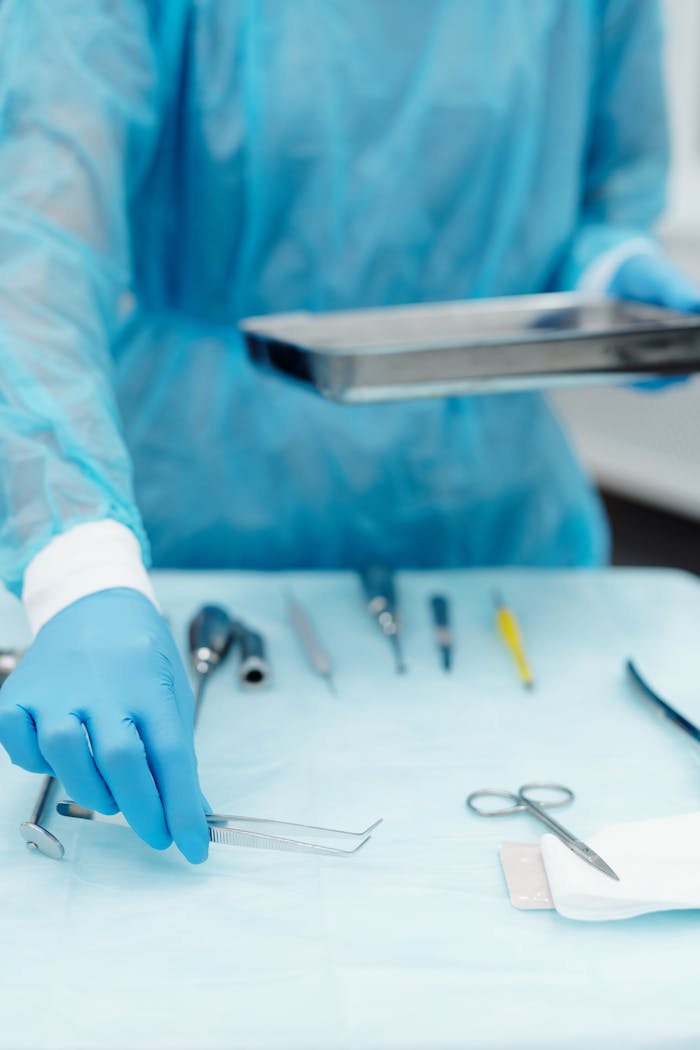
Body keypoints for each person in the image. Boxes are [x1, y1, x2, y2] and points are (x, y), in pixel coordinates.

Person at [0, 1, 697, 863]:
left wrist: (609, 278)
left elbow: (596, 199)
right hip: (202, 508)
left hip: (496, 528)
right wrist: (82, 570)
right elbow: (33, 255)